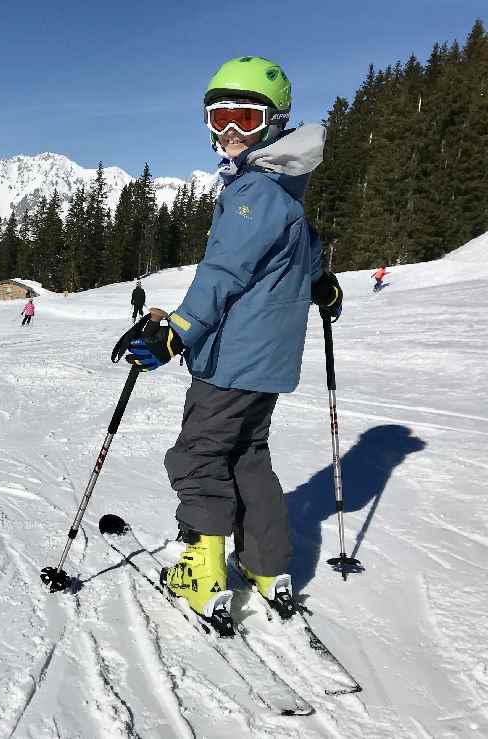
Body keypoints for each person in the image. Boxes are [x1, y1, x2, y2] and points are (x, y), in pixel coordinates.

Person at [120, 55, 343, 623]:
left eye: (244, 117)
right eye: (218, 117)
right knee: (248, 455)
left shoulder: (254, 194)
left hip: (233, 363)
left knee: (199, 456)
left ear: (276, 122)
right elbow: (307, 249)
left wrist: (177, 331)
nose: (228, 133)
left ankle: (204, 569)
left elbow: (222, 273)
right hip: (267, 365)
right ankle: (268, 566)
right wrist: (322, 284)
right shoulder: (286, 189)